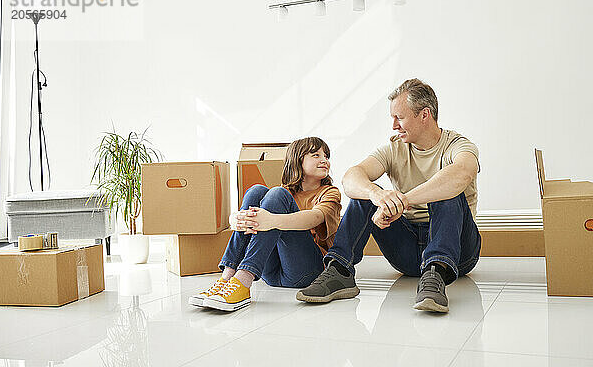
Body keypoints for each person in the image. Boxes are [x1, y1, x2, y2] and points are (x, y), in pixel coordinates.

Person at [296, 78, 481, 313]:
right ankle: (339, 271)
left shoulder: (459, 146)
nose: (394, 125)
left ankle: (435, 274)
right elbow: (352, 177)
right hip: (408, 251)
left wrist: (403, 200)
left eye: (399, 117)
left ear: (424, 115)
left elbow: (462, 173)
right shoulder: (394, 148)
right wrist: (378, 196)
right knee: (365, 193)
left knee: (446, 190)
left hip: (457, 253)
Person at [189, 137, 342, 312]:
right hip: (270, 273)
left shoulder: (330, 192)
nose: (324, 160)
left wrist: (272, 220)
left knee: (277, 194)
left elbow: (315, 217)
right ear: (297, 160)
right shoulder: (285, 193)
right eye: (316, 155)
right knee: (256, 191)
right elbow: (254, 217)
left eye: (326, 156)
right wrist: (235, 219)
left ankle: (243, 280)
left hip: (306, 272)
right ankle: (227, 278)